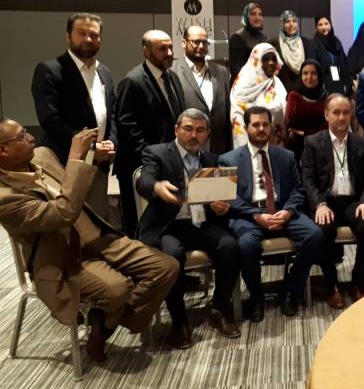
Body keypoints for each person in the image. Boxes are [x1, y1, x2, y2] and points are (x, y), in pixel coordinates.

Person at [0, 121, 178, 362]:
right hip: (63, 259)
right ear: (3, 150)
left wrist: (93, 159)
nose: (31, 138)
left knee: (166, 267)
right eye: (22, 136)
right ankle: (108, 316)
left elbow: (73, 187)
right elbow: (63, 213)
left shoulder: (42, 156)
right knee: (117, 289)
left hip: (96, 236)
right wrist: (75, 157)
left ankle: (104, 323)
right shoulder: (5, 198)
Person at [136, 109, 241, 348]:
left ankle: (219, 309)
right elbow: (144, 180)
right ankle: (179, 320)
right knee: (172, 255)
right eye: (188, 129)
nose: (194, 135)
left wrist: (220, 207)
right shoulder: (157, 153)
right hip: (168, 226)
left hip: (201, 224)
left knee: (230, 246)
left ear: (207, 134)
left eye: (200, 130)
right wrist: (156, 186)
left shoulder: (212, 160)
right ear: (177, 130)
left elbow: (218, 200)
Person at [219, 106, 325, 318]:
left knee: (315, 235)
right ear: (246, 127)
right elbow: (229, 197)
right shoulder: (229, 160)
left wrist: (287, 212)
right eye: (255, 125)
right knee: (246, 245)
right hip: (249, 216)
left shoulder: (286, 156)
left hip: (282, 212)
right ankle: (256, 297)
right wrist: (255, 215)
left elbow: (298, 189)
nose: (261, 129)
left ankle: (291, 289)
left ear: (271, 127)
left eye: (265, 124)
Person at [31, 12, 117, 217]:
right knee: (68, 225)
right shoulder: (50, 70)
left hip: (98, 165)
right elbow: (50, 120)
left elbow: (112, 114)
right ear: (68, 36)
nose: (88, 39)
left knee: (97, 223)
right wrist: (91, 148)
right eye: (81, 33)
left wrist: (112, 142)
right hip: (64, 164)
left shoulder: (104, 72)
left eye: (94, 35)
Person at [301, 94, 364, 305]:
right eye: (336, 112)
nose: (342, 117)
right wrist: (319, 204)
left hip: (353, 202)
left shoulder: (363, 144)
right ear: (326, 115)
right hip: (326, 201)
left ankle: (358, 281)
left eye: (346, 112)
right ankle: (332, 285)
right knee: (322, 228)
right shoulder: (312, 142)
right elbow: (307, 179)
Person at [115, 30, 185, 235]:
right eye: (162, 48)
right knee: (139, 226)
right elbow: (126, 125)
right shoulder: (132, 81)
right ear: (146, 51)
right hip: (139, 164)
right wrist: (151, 158)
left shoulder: (173, 78)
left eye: (170, 47)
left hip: (168, 163)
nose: (169, 53)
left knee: (166, 225)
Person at [172, 25, 232, 155]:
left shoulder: (221, 71)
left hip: (218, 149)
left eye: (205, 42)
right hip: (185, 148)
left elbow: (228, 113)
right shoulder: (172, 71)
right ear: (184, 43)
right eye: (196, 42)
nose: (201, 46)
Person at [230, 43, 287, 148]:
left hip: (275, 147)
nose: (271, 63)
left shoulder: (277, 84)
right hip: (248, 147)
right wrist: (246, 151)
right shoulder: (242, 84)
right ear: (256, 60)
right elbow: (237, 118)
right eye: (266, 59)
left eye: (273, 59)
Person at [285, 59, 328, 161]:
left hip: (320, 146)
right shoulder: (294, 95)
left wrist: (304, 133)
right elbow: (289, 122)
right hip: (297, 147)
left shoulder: (327, 97)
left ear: (319, 75)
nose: (309, 77)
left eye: (313, 73)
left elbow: (328, 126)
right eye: (305, 73)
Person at [267, 10, 318, 94]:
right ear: (282, 24)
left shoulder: (306, 42)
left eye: (294, 21)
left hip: (304, 93)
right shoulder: (274, 44)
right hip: (282, 93)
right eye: (287, 21)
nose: (291, 24)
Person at [312, 15, 351, 96]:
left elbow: (344, 63)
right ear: (316, 27)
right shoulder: (314, 43)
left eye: (326, 23)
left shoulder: (336, 42)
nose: (324, 27)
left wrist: (346, 84)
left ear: (330, 24)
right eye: (320, 25)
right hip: (323, 86)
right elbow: (314, 67)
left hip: (338, 83)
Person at [228, 2, 267, 81]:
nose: (257, 17)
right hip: (245, 85)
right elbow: (236, 70)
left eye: (260, 14)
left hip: (263, 83)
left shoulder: (264, 38)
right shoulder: (237, 38)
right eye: (253, 14)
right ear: (246, 16)